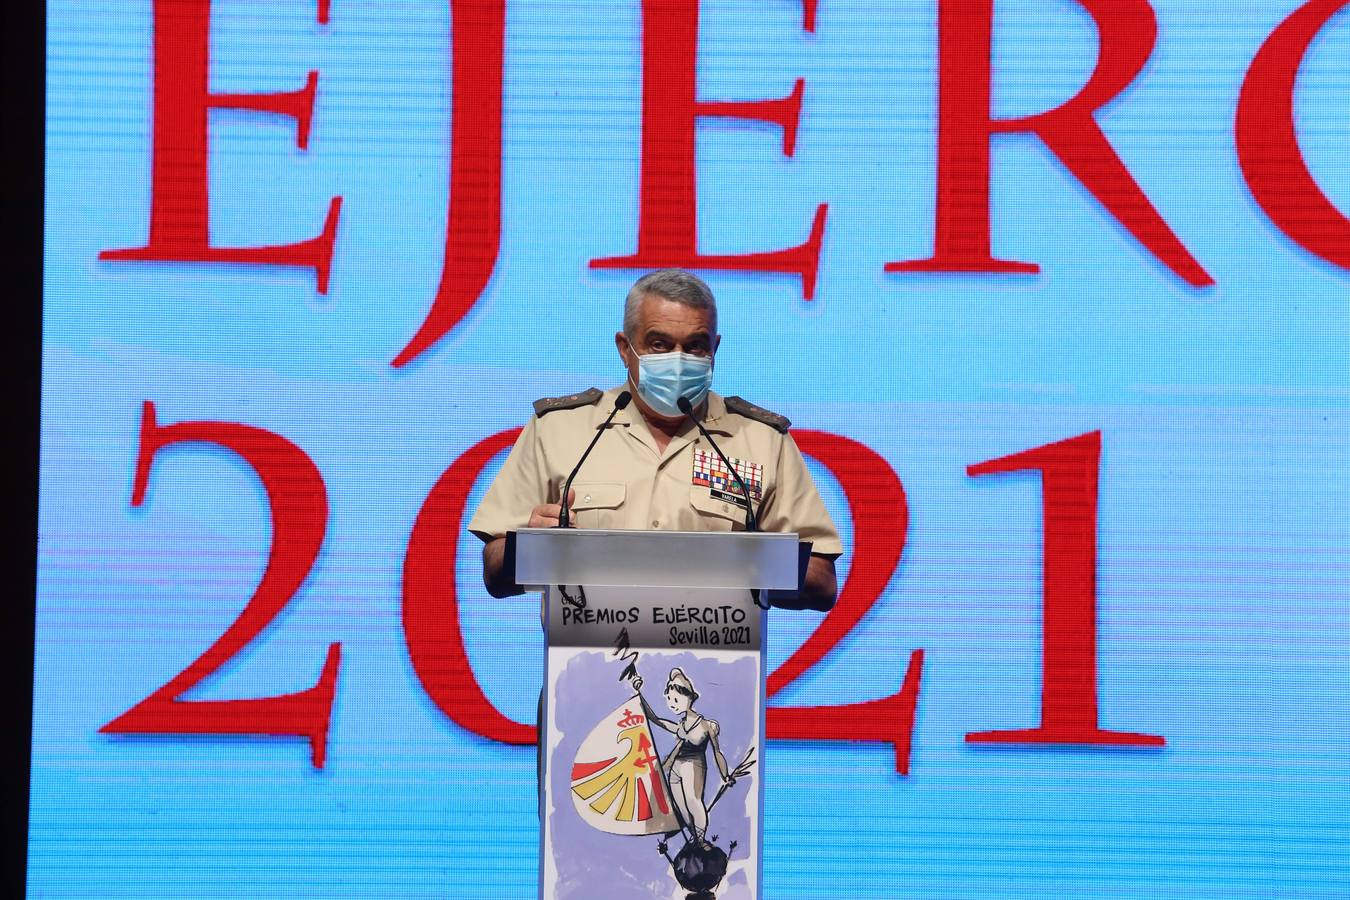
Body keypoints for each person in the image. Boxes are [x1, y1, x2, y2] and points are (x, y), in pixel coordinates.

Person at [467, 268, 841, 610]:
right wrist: (532, 547)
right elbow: (495, 572)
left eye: (695, 346)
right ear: (625, 348)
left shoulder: (762, 440)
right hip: (583, 674)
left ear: (715, 349)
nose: (679, 361)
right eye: (659, 344)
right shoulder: (559, 430)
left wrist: (752, 559)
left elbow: (822, 583)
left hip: (716, 673)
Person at [631, 669, 730, 849]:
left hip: (694, 765)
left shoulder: (705, 725)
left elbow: (717, 752)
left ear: (689, 697)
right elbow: (656, 720)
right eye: (669, 700)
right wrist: (639, 694)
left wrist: (725, 775)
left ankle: (701, 842)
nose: (672, 704)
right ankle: (696, 840)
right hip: (676, 767)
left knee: (693, 801)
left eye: (675, 700)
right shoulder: (679, 725)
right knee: (681, 807)